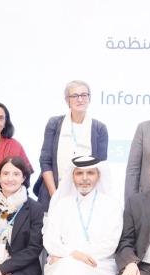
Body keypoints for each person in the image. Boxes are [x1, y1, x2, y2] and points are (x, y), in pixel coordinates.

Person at [35, 80, 109, 208]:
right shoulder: (54, 123)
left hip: (86, 196)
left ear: (89, 98)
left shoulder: (99, 128)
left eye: (84, 95)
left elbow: (100, 166)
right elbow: (45, 161)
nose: (80, 99)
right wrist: (54, 195)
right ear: (67, 100)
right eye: (74, 96)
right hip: (53, 192)